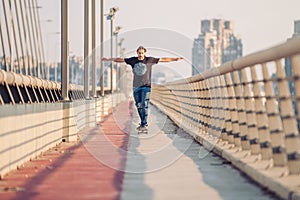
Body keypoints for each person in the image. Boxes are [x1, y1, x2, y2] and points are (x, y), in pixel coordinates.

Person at [102, 46, 183, 131]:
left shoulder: (149, 60)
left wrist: (176, 59)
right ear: (137, 53)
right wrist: (109, 59)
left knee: (144, 104)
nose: (140, 55)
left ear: (145, 53)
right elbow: (120, 59)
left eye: (142, 53)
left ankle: (144, 124)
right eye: (139, 53)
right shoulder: (133, 60)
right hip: (136, 87)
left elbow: (163, 59)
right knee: (139, 105)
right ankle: (143, 122)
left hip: (146, 86)